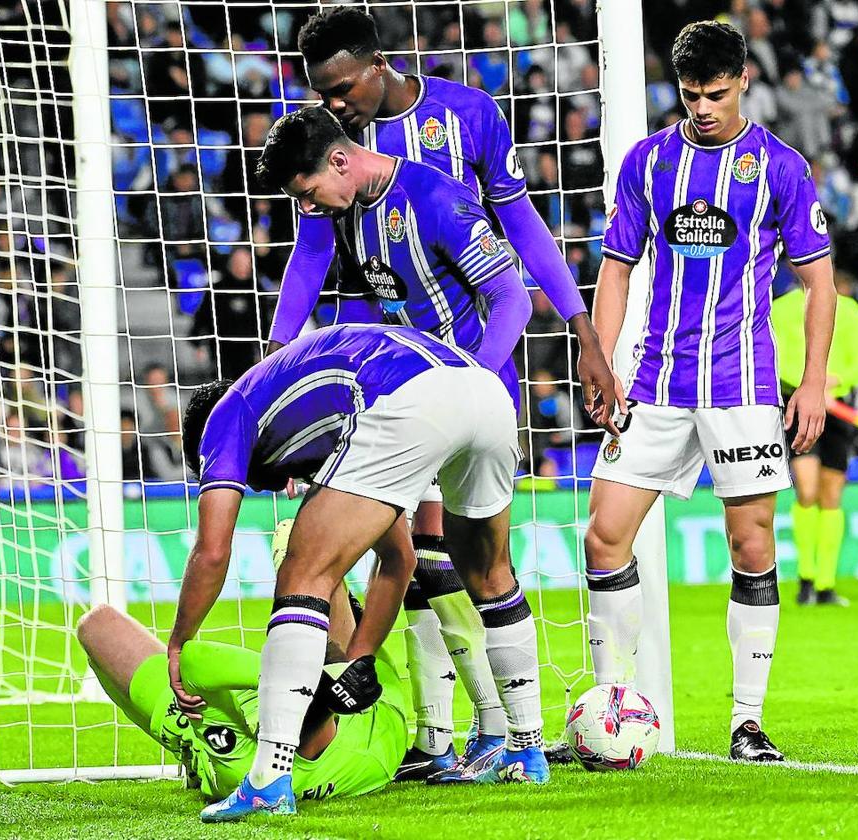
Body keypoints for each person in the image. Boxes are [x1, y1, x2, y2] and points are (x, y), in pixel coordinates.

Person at [263, 6, 618, 780]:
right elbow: (312, 259)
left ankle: (492, 726)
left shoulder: (466, 118)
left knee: (451, 552)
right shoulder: (333, 156)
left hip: (469, 356)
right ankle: (441, 733)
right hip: (388, 360)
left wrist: (584, 332)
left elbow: (520, 238)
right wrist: (278, 361)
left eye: (342, 86)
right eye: (320, 93)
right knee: (416, 556)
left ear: (379, 62)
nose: (334, 104)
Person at [256, 102, 552, 781]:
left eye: (307, 193)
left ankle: (518, 742)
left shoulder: (437, 198)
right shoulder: (350, 214)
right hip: (408, 407)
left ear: (338, 161)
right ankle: (453, 737)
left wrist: (472, 379)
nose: (311, 208)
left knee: (483, 565)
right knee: (418, 560)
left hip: (474, 397)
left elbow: (511, 297)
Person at [169, 324, 548, 823]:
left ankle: (266, 781)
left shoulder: (226, 415)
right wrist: (361, 656)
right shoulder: (318, 424)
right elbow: (399, 560)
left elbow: (212, 552)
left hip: (406, 399)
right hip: (486, 392)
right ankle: (528, 749)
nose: (260, 488)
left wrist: (179, 642)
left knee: (302, 571)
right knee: (490, 575)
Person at [584, 21, 835, 763]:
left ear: (744, 80)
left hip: (744, 385)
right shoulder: (648, 162)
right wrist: (604, 363)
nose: (702, 108)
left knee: (751, 546)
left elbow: (818, 281)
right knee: (602, 537)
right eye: (691, 94)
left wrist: (813, 382)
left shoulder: (782, 169)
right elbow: (617, 268)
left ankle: (746, 722)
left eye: (716, 94)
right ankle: (613, 706)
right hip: (656, 381)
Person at [77, 562, 406, 805]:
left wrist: (284, 676)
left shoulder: (248, 770)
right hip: (303, 696)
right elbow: (371, 663)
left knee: (97, 627)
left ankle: (192, 763)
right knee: (321, 561)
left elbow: (192, 663)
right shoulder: (380, 741)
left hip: (200, 723)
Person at [773, 274, 858, 607]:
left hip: (838, 408)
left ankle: (826, 584)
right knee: (807, 490)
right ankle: (806, 578)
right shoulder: (780, 309)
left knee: (831, 495)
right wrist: (812, 385)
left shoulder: (849, 310)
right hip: (800, 403)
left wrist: (837, 381)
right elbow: (773, 357)